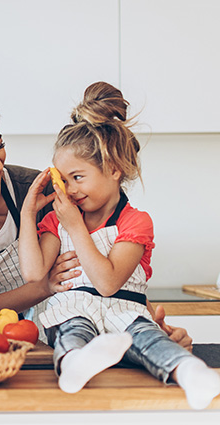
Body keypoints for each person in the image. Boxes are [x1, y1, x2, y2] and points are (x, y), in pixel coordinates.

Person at [0, 64, 191, 348]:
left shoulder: (39, 190)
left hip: (67, 327)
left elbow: (107, 255)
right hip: (0, 338)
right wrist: (43, 287)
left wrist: (150, 323)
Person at [17, 81, 219, 408]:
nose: (69, 190)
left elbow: (108, 283)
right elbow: (33, 273)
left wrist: (75, 227)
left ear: (113, 169)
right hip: (75, 308)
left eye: (77, 177)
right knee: (71, 330)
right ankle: (75, 366)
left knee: (150, 339)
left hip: (125, 311)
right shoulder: (58, 219)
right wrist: (29, 212)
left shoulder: (135, 221)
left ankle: (193, 374)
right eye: (63, 180)